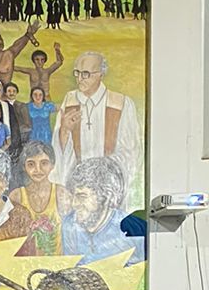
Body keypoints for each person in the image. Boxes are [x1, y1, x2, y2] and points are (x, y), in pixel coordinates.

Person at [51, 51, 142, 202]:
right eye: (77, 73)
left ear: (101, 74)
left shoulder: (121, 103)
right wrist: (65, 130)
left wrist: (100, 177)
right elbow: (58, 151)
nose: (79, 79)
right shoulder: (70, 100)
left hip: (107, 189)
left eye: (86, 73)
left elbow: (130, 152)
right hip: (77, 189)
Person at [61, 156, 145, 266]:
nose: (74, 204)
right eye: (73, 196)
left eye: (82, 196)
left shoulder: (132, 229)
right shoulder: (69, 225)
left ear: (105, 196)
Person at [10, 140, 63, 257]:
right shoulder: (17, 196)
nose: (38, 170)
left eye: (44, 163)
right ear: (24, 167)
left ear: (52, 165)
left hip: (56, 264)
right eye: (31, 164)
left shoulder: (61, 193)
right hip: (26, 264)